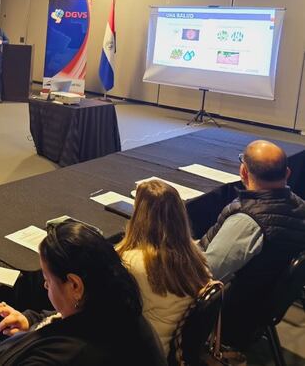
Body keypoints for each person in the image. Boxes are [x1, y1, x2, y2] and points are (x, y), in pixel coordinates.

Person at [0, 220, 165, 366]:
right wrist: (30, 321)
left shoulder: (73, 354)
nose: (45, 286)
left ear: (75, 286)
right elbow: (63, 318)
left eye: (48, 280)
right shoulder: (113, 306)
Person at [199, 140, 305, 346]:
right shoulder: (300, 207)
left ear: (243, 172)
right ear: (288, 173)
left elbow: (205, 273)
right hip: (266, 301)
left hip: (235, 312)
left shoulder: (247, 223)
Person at [116, 179, 212, 352]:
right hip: (169, 349)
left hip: (139, 352)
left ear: (139, 215)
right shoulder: (195, 257)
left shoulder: (131, 263)